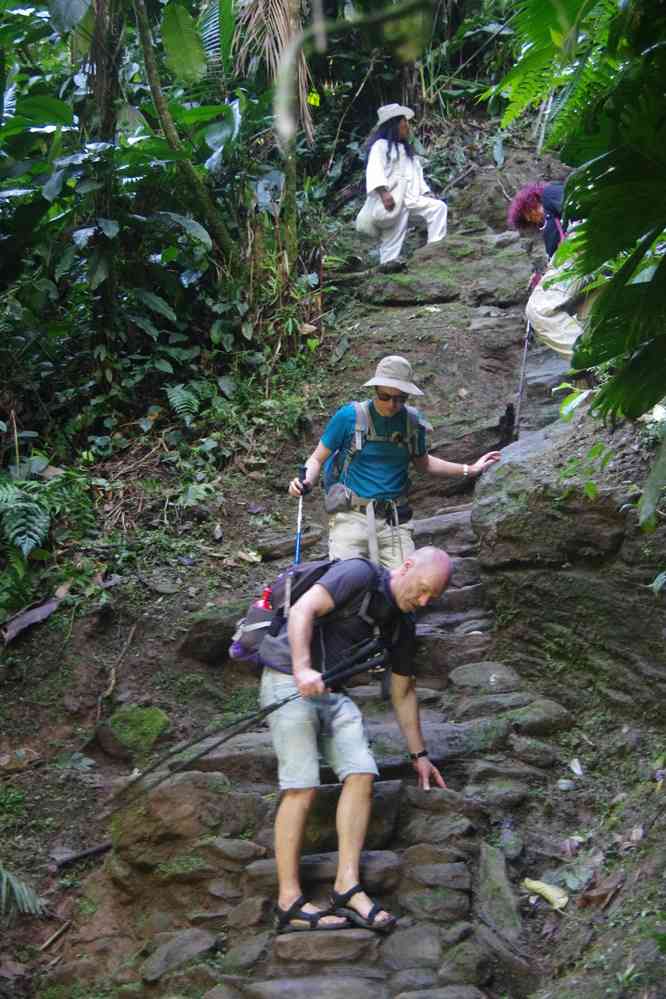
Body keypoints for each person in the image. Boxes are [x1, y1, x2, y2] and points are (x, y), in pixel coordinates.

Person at [260, 546, 452, 934]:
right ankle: (289, 900)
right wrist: (301, 669)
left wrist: (420, 755)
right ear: (408, 566)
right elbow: (302, 610)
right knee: (301, 785)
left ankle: (347, 885)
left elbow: (403, 692)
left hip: (332, 691)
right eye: (425, 589)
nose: (425, 600)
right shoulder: (359, 574)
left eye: (434, 598)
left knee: (362, 772)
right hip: (287, 677)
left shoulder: (401, 623)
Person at [288, 355, 500, 569]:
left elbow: (424, 464)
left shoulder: (412, 422)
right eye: (385, 396)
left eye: (400, 399)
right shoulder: (349, 417)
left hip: (395, 521)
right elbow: (317, 458)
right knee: (347, 587)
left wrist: (469, 469)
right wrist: (304, 481)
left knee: (405, 590)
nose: (392, 404)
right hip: (351, 518)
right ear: (375, 389)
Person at [363, 104, 449, 269]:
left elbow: (418, 178)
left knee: (437, 208)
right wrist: (384, 193)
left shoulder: (409, 152)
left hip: (412, 200)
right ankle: (387, 268)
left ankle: (435, 252)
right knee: (392, 239)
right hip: (393, 203)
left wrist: (427, 193)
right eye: (404, 122)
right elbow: (375, 170)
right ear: (394, 124)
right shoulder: (380, 146)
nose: (407, 126)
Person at [508, 181, 585, 360]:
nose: (533, 220)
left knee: (539, 309)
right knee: (584, 317)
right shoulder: (549, 229)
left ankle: (588, 359)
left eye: (529, 214)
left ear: (532, 203)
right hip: (586, 267)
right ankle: (601, 367)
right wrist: (544, 278)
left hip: (581, 247)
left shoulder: (550, 194)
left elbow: (580, 209)